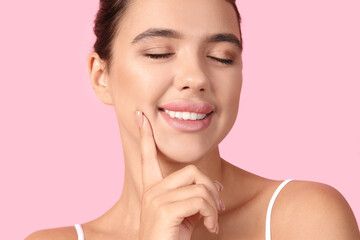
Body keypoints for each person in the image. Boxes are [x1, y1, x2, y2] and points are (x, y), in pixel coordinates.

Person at [25, 0, 360, 239]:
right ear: (102, 77)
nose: (196, 77)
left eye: (221, 57)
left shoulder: (303, 217)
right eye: (159, 53)